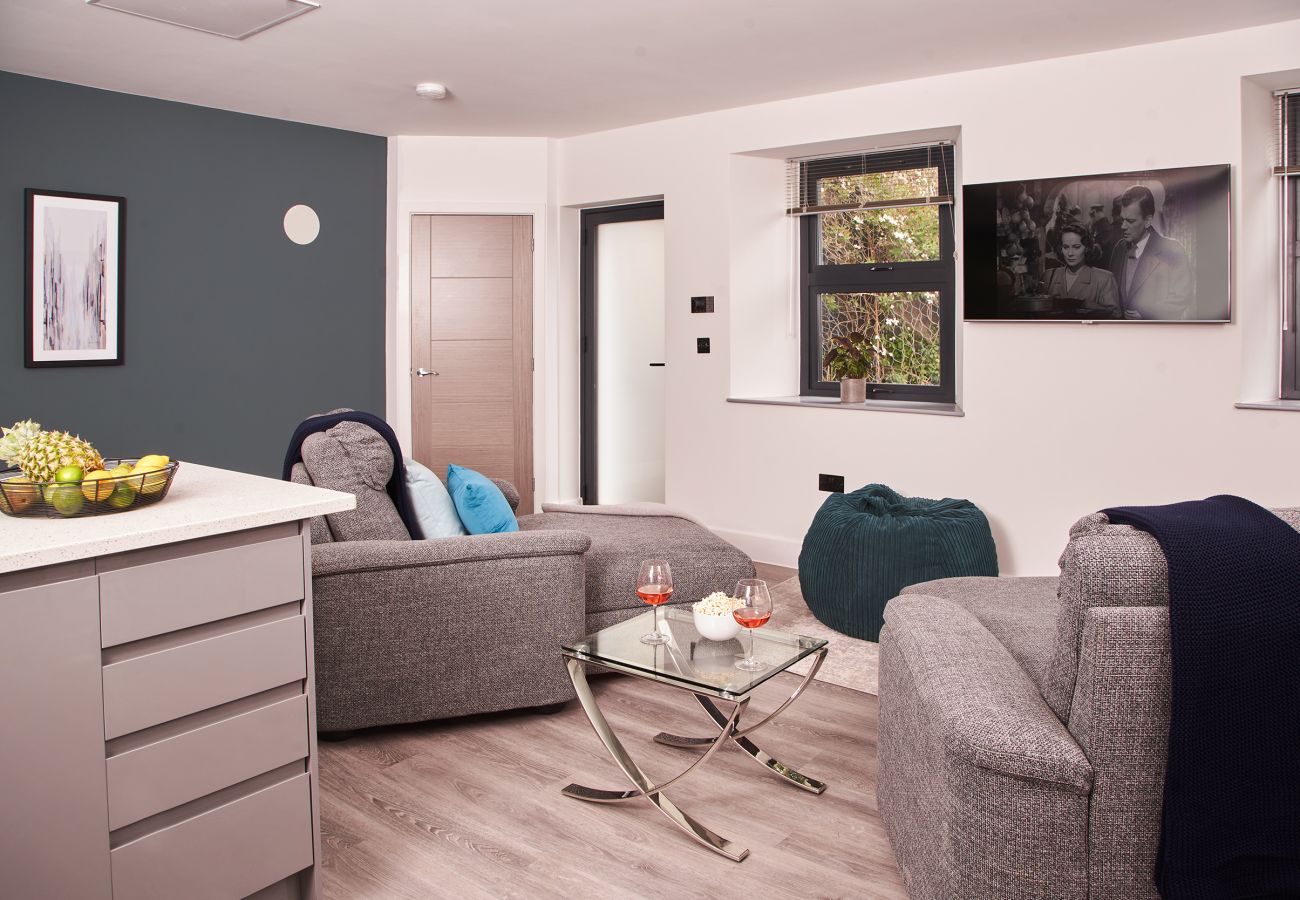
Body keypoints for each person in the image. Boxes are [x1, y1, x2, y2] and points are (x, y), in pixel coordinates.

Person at [1108, 185, 1193, 319]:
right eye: (1122, 219)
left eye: (1130, 221)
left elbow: (1181, 297)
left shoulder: (1172, 249)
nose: (1123, 226)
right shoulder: (1119, 248)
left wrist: (1146, 315)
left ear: (1147, 221)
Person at [1042, 223, 1121, 318]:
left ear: (1087, 248)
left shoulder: (1104, 278)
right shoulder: (1050, 276)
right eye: (1066, 247)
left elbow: (1115, 316)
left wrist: (1086, 305)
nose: (1070, 253)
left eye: (1076, 247)